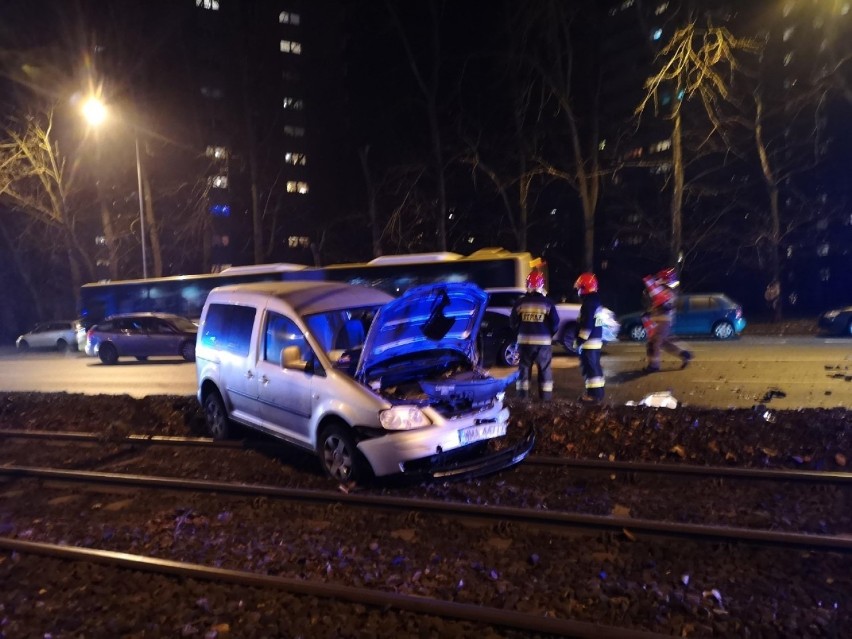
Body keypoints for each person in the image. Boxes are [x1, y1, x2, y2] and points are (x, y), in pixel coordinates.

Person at [510, 269, 559, 400]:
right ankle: (546, 399)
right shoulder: (548, 303)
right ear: (541, 286)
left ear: (528, 285)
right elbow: (555, 323)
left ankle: (523, 399)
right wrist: (549, 334)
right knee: (545, 371)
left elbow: (513, 322)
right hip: (543, 344)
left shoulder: (520, 303)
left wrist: (520, 332)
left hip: (524, 343)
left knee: (524, 370)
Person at [642, 267, 692, 373]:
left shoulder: (665, 292)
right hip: (661, 322)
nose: (657, 280)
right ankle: (684, 355)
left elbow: (664, 304)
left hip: (662, 322)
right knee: (664, 343)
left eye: (659, 278)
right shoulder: (666, 291)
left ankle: (653, 366)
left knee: (654, 343)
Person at [573, 272, 605, 404]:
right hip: (595, 340)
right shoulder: (595, 301)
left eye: (580, 288)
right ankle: (597, 393)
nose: (578, 291)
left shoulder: (588, 304)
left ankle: (594, 396)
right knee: (594, 366)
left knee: (590, 368)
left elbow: (587, 325)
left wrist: (579, 340)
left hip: (589, 342)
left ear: (584, 288)